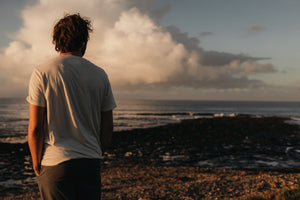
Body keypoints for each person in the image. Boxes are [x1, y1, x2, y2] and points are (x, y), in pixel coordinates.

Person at [27, 13, 116, 200]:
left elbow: (36, 128)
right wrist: (96, 152)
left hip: (55, 162)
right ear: (84, 41)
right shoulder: (100, 75)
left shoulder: (42, 72)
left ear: (57, 41)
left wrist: (36, 160)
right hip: (90, 162)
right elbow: (107, 126)